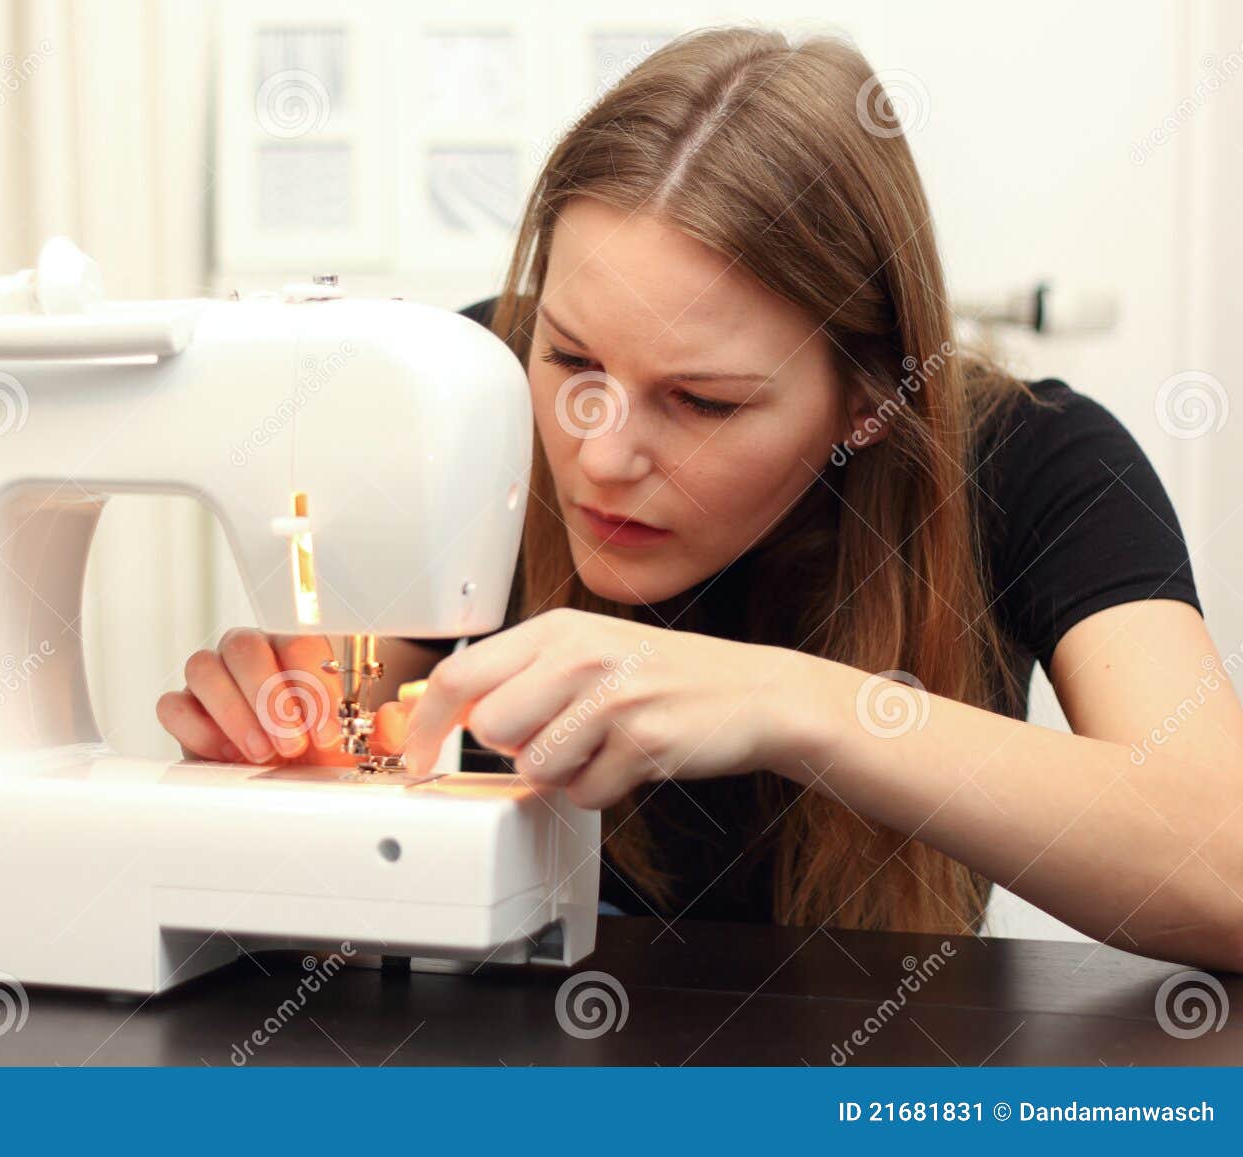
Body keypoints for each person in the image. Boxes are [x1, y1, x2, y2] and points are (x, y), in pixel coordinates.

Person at [157, 26, 1243, 970]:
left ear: (867, 398)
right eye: (570, 357)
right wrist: (289, 719)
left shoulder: (1034, 462)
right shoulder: (472, 388)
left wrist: (793, 704)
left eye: (702, 401)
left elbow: (1227, 869)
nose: (600, 455)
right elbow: (358, 694)